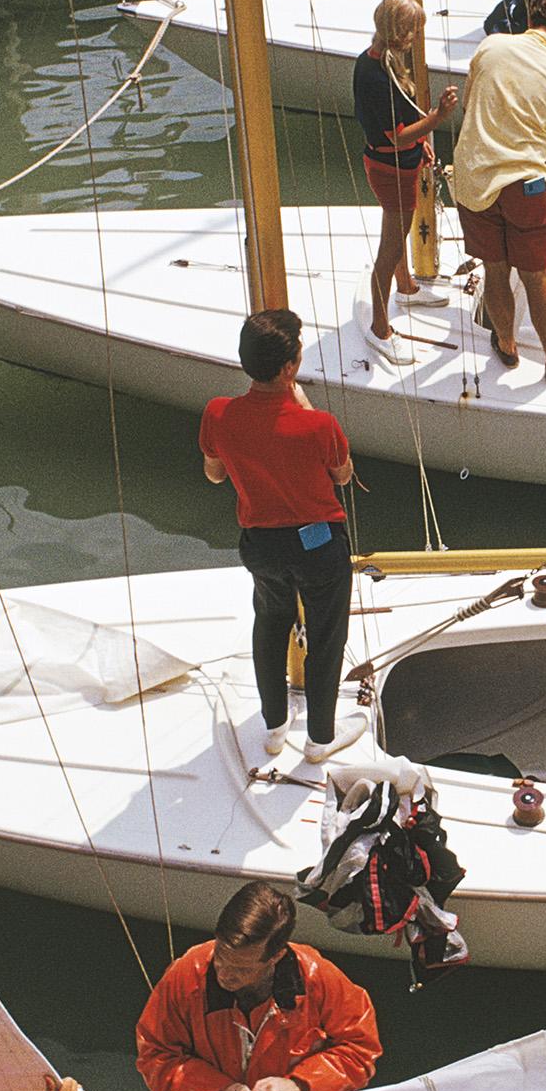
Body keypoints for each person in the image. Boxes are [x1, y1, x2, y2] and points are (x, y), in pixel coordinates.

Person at [201, 307, 361, 762]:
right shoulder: (319, 424)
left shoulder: (218, 414)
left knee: (270, 627)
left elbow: (214, 474)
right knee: (326, 637)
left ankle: (274, 727)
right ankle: (320, 739)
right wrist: (305, 407)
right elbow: (343, 475)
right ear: (290, 368)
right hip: (318, 544)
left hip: (262, 545)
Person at [136, 879, 380, 1091]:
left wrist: (300, 1084)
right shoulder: (185, 974)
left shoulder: (318, 977)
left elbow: (361, 1050)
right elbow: (155, 1056)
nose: (224, 973)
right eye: (220, 957)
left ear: (276, 956)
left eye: (241, 967)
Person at [450, 0, 546, 383]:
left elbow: (468, 105)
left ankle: (507, 347)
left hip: (475, 177)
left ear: (530, 19)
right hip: (526, 184)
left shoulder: (490, 47)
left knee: (495, 270)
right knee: (535, 276)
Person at [352, 0, 460, 342]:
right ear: (398, 32)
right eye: (412, 31)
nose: (415, 38)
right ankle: (380, 327)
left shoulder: (377, 61)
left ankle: (407, 288)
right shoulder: (376, 77)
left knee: (396, 235)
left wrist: (421, 144)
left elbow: (401, 127)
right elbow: (396, 136)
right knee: (391, 248)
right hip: (391, 169)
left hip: (397, 162)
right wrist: (438, 118)